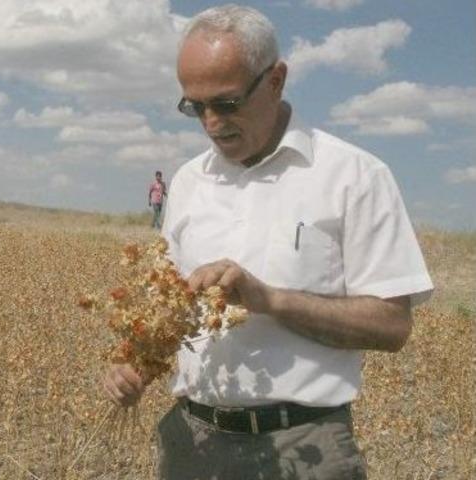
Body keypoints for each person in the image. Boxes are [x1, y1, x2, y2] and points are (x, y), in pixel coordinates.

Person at [102, 4, 433, 479]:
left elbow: (392, 326)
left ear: (275, 80)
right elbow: (174, 310)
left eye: (227, 103)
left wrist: (270, 300)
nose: (211, 122)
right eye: (195, 107)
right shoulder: (190, 181)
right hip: (191, 443)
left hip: (304, 448)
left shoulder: (354, 176)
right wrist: (136, 365)